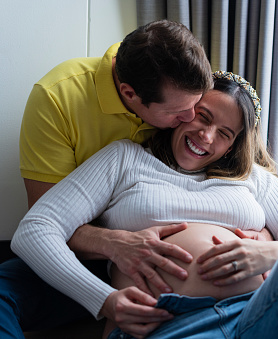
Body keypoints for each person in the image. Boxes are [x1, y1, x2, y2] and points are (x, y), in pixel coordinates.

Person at [12, 72, 278, 339]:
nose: (206, 135)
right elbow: (34, 230)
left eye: (224, 133)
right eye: (202, 117)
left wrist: (266, 252)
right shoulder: (124, 159)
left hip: (256, 312)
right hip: (170, 320)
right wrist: (103, 300)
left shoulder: (253, 179)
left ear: (233, 144)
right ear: (183, 111)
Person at [0, 19, 215, 337]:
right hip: (92, 257)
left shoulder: (187, 86)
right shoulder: (58, 97)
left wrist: (264, 243)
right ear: (130, 93)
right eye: (178, 112)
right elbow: (43, 222)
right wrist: (115, 246)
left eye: (198, 106)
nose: (193, 119)